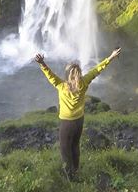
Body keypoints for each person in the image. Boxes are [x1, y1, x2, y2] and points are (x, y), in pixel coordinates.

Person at [34, 47, 122, 180]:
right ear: (79, 74)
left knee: (65, 150)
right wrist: (111, 57)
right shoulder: (84, 82)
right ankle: (76, 170)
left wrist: (42, 63)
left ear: (68, 75)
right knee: (75, 145)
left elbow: (50, 74)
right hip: (79, 120)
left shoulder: (61, 86)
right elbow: (98, 69)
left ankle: (70, 177)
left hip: (67, 123)